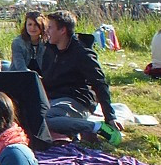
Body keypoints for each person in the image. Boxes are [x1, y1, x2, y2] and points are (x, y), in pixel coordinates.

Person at [40, 10, 124, 145]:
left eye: (50, 27)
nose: (46, 31)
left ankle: (95, 127)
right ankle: (72, 130)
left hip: (76, 99)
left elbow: (100, 83)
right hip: (53, 98)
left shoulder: (82, 53)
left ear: (62, 30)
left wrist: (110, 116)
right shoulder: (50, 49)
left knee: (45, 120)